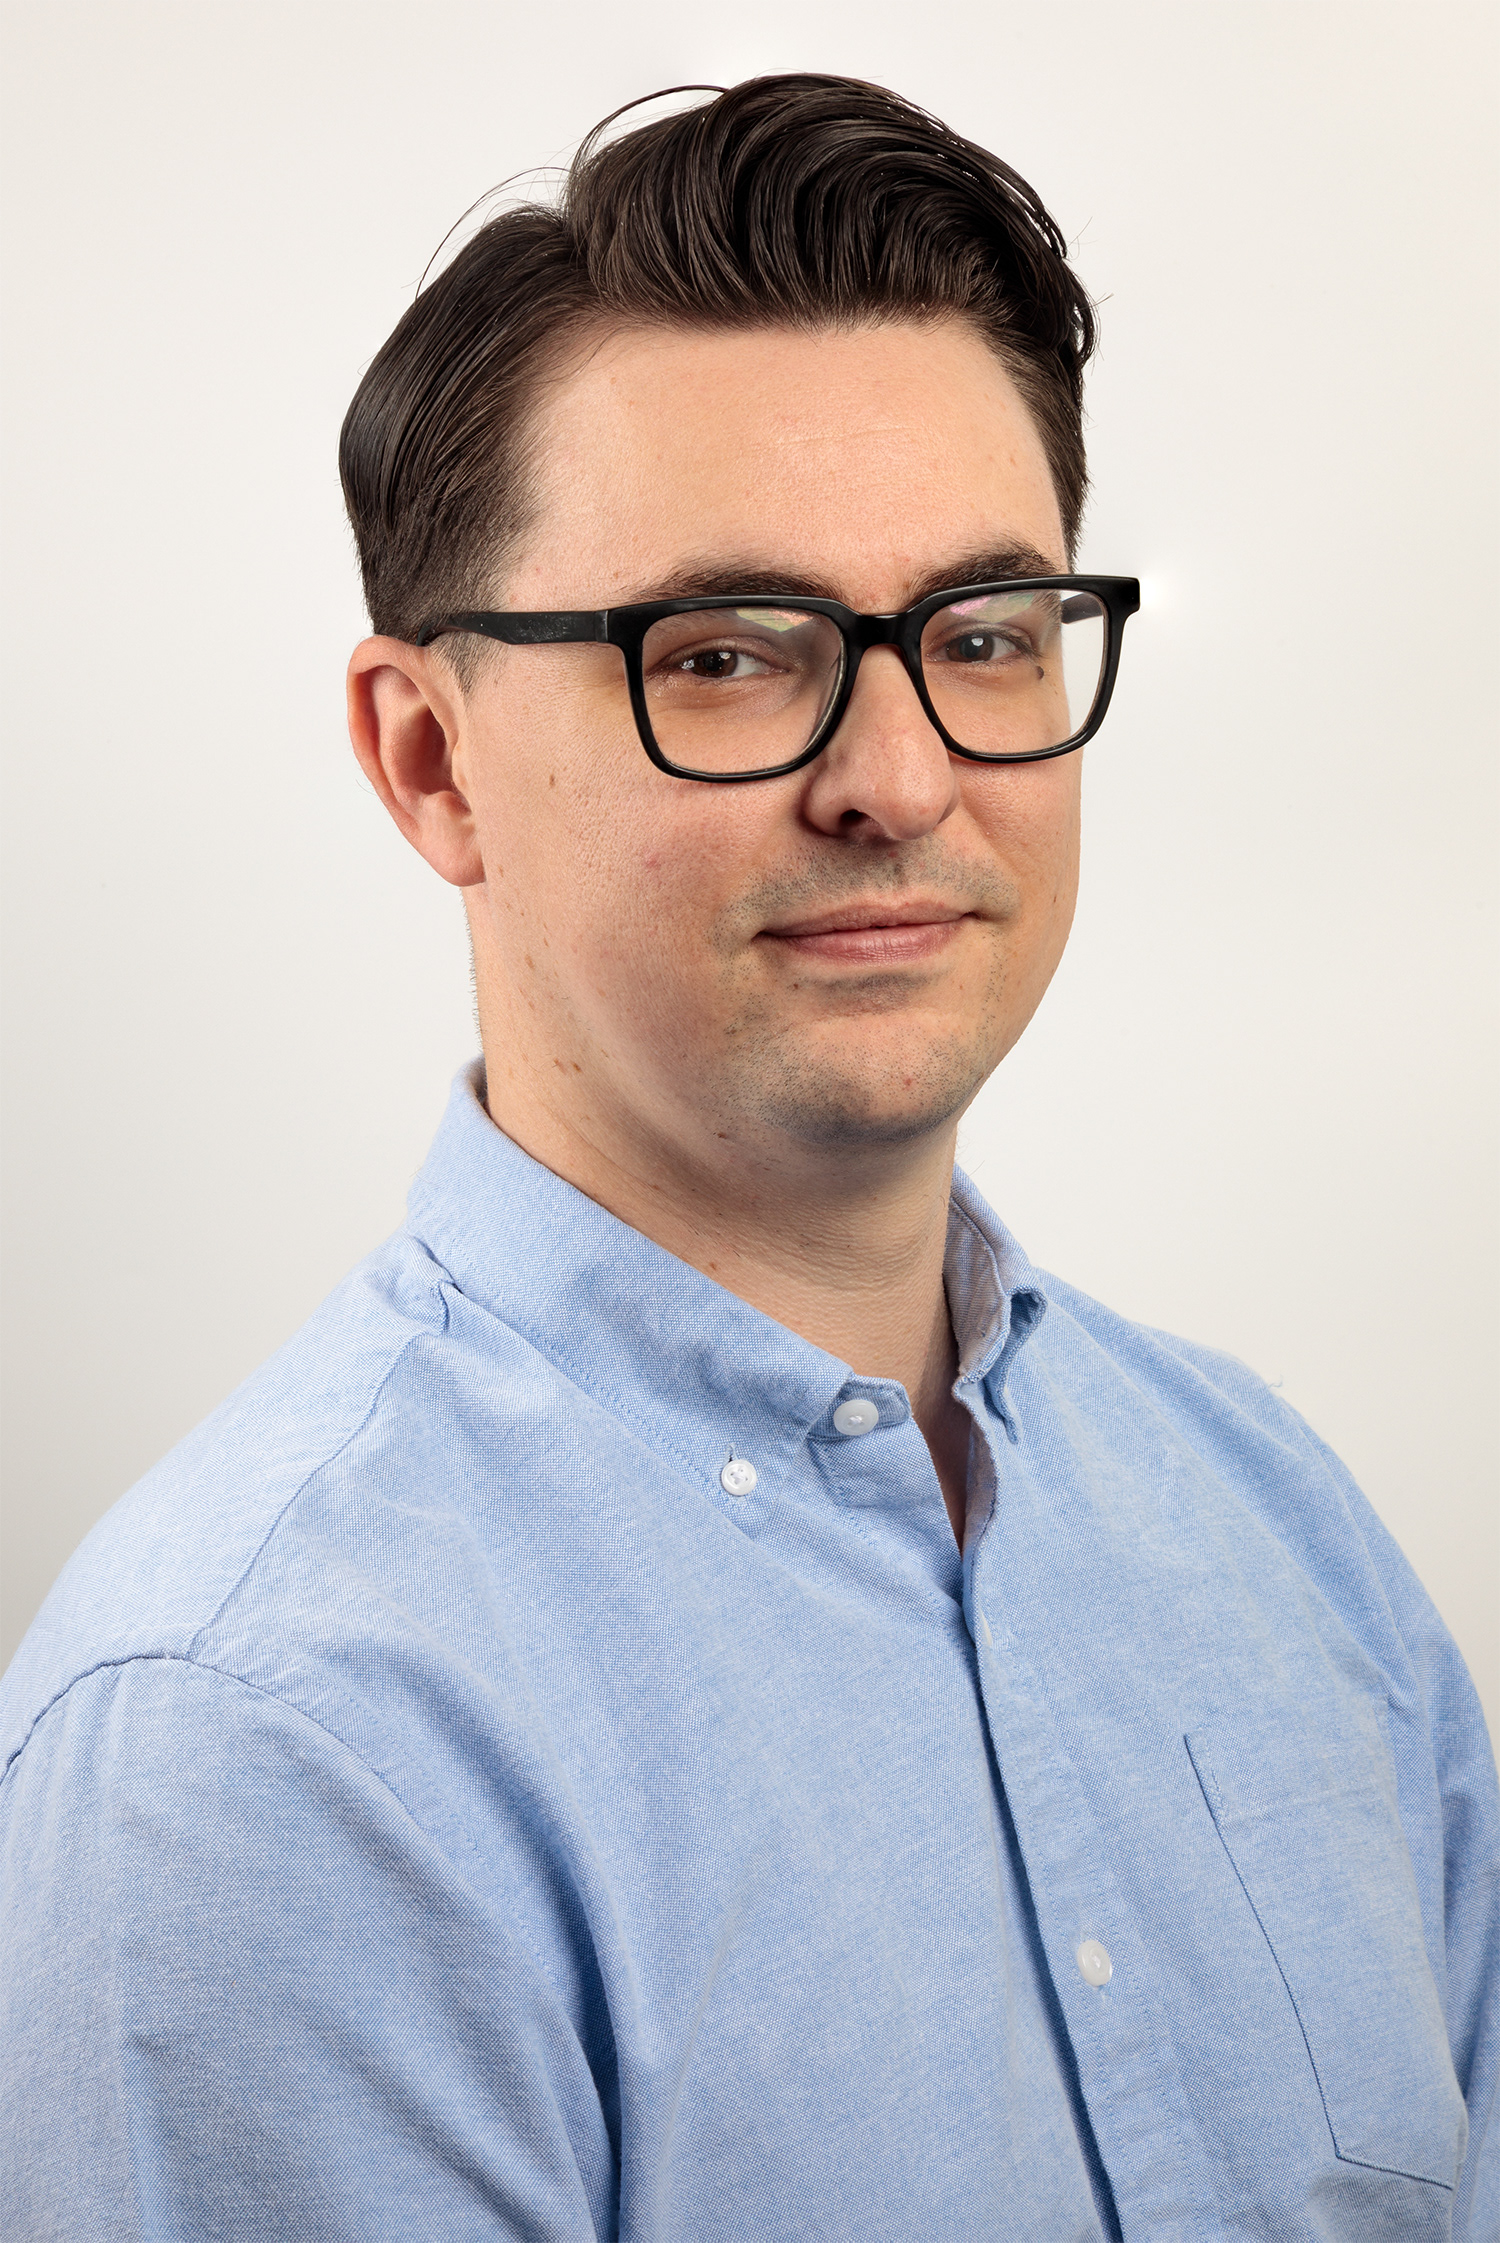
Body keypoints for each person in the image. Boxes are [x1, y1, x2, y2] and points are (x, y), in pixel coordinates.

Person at [1, 72, 1494, 2242]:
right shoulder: (264, 1744)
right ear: (431, 762)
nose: (900, 776)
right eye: (724, 657)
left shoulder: (1282, 1534)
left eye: (983, 636)